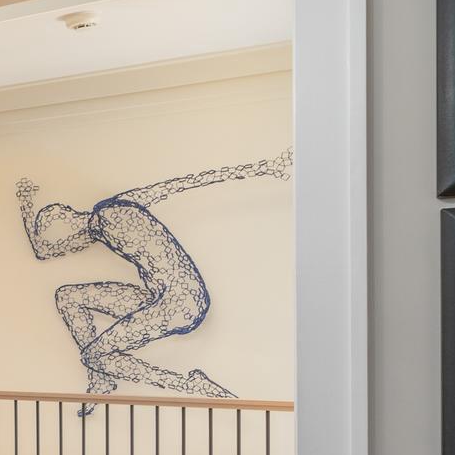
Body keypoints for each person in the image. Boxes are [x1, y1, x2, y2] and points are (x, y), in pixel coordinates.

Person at [17, 150, 291, 405]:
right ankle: (100, 376)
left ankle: (190, 385)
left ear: (67, 213)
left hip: (181, 300)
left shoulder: (114, 208)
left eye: (54, 216)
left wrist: (264, 167)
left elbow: (180, 184)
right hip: (160, 298)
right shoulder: (95, 229)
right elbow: (43, 250)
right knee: (67, 296)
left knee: (93, 355)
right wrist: (26, 206)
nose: (59, 224)